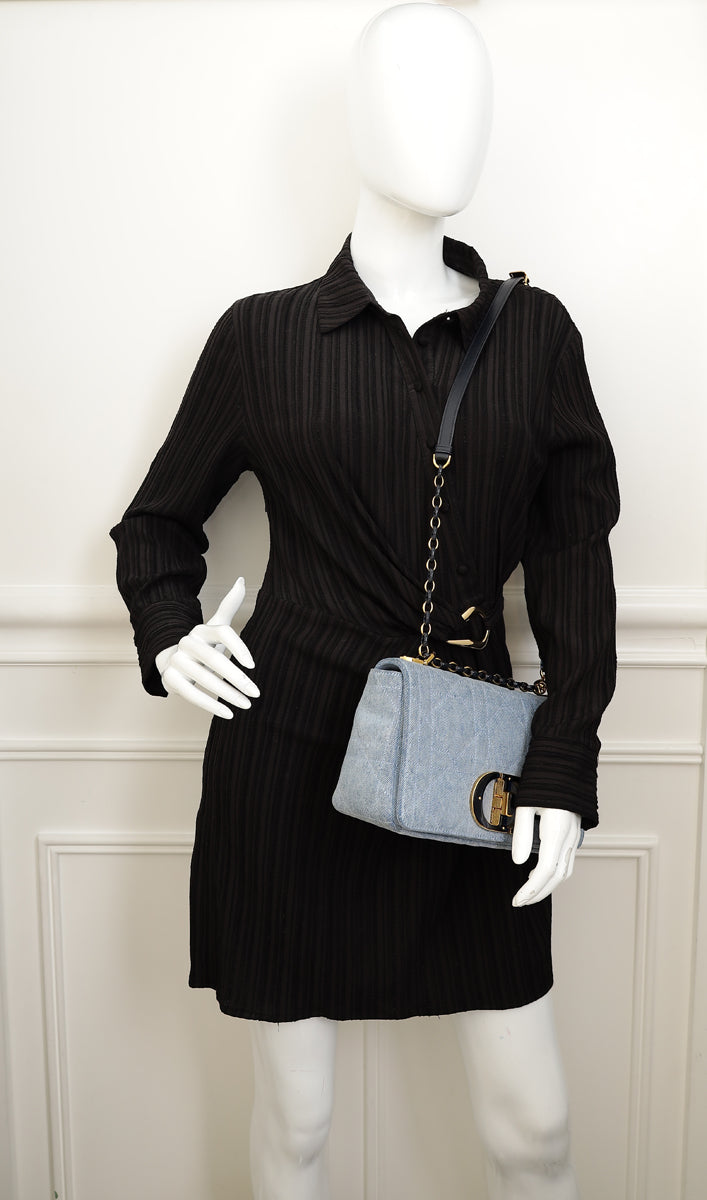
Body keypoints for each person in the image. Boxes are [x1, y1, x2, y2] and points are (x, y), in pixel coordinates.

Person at [110, 5, 619, 1197]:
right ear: (357, 119)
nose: (453, 130)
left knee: (534, 1128)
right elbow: (155, 525)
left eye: (470, 101)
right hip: (287, 760)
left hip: (474, 764)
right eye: (417, 95)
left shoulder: (534, 337)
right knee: (294, 1124)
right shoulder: (261, 337)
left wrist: (560, 766)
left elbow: (574, 570)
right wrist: (171, 634)